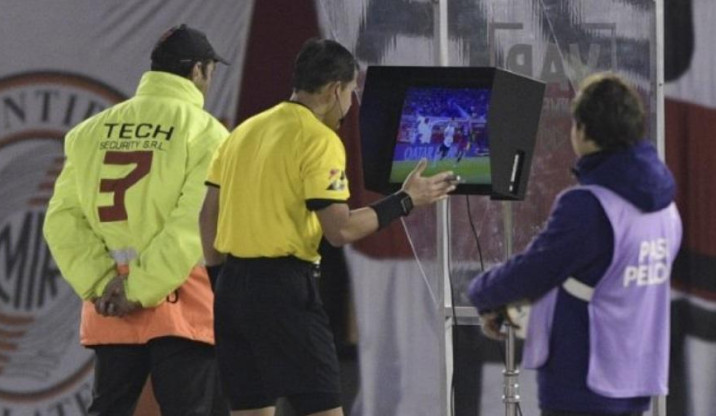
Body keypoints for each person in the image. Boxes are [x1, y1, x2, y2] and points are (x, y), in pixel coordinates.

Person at [199, 38, 458, 416]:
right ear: (336, 89)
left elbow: (207, 214)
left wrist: (218, 278)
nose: (351, 104)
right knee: (321, 407)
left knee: (250, 409)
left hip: (232, 288)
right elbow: (341, 231)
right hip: (284, 291)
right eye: (352, 92)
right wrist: (405, 200)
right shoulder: (319, 139)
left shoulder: (243, 132)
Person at [467, 73, 683, 416]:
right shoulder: (665, 205)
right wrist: (509, 309)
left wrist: (481, 291)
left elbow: (536, 271)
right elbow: (601, 283)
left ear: (582, 131)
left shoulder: (589, 206)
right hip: (637, 373)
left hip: (585, 377)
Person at [43, 24, 229, 415]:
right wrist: (141, 289)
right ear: (197, 70)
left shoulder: (88, 133)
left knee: (109, 407)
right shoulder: (206, 133)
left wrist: (103, 283)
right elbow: (192, 221)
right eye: (211, 71)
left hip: (110, 300)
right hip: (181, 299)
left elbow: (61, 221)